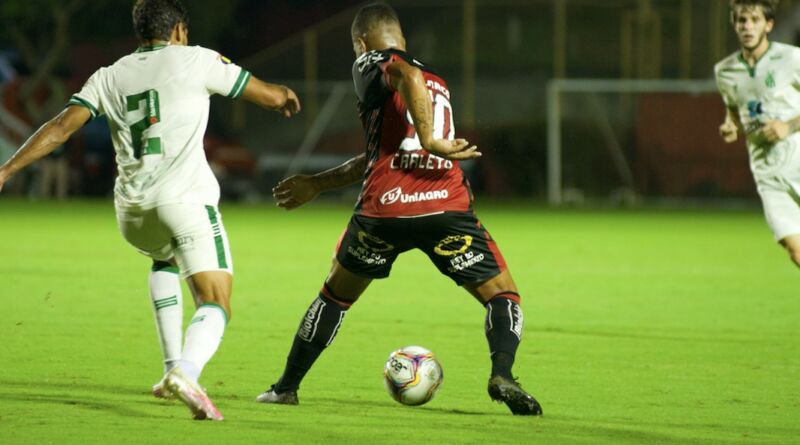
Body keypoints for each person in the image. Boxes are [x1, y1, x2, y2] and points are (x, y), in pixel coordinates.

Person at [0, 0, 300, 421]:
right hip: (185, 203)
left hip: (133, 213)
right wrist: (285, 96)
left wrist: (7, 169)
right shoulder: (198, 59)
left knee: (163, 258)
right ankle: (187, 373)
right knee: (216, 302)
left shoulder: (109, 75)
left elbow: (60, 128)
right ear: (178, 29)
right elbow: (268, 97)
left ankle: (168, 368)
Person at [257, 2, 542, 416]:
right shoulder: (436, 80)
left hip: (384, 213)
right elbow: (381, 153)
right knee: (503, 295)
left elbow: (402, 77)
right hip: (445, 209)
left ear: (361, 42)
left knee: (334, 296)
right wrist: (318, 182)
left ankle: (286, 388)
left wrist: (428, 139)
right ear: (403, 37)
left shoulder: (374, 62)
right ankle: (503, 375)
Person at [716, 0, 800, 268]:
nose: (748, 27)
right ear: (734, 24)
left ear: (769, 25)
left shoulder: (791, 58)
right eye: (742, 20)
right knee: (795, 251)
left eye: (754, 20)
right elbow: (734, 111)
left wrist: (788, 126)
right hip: (767, 174)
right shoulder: (725, 71)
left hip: (798, 161)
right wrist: (730, 126)